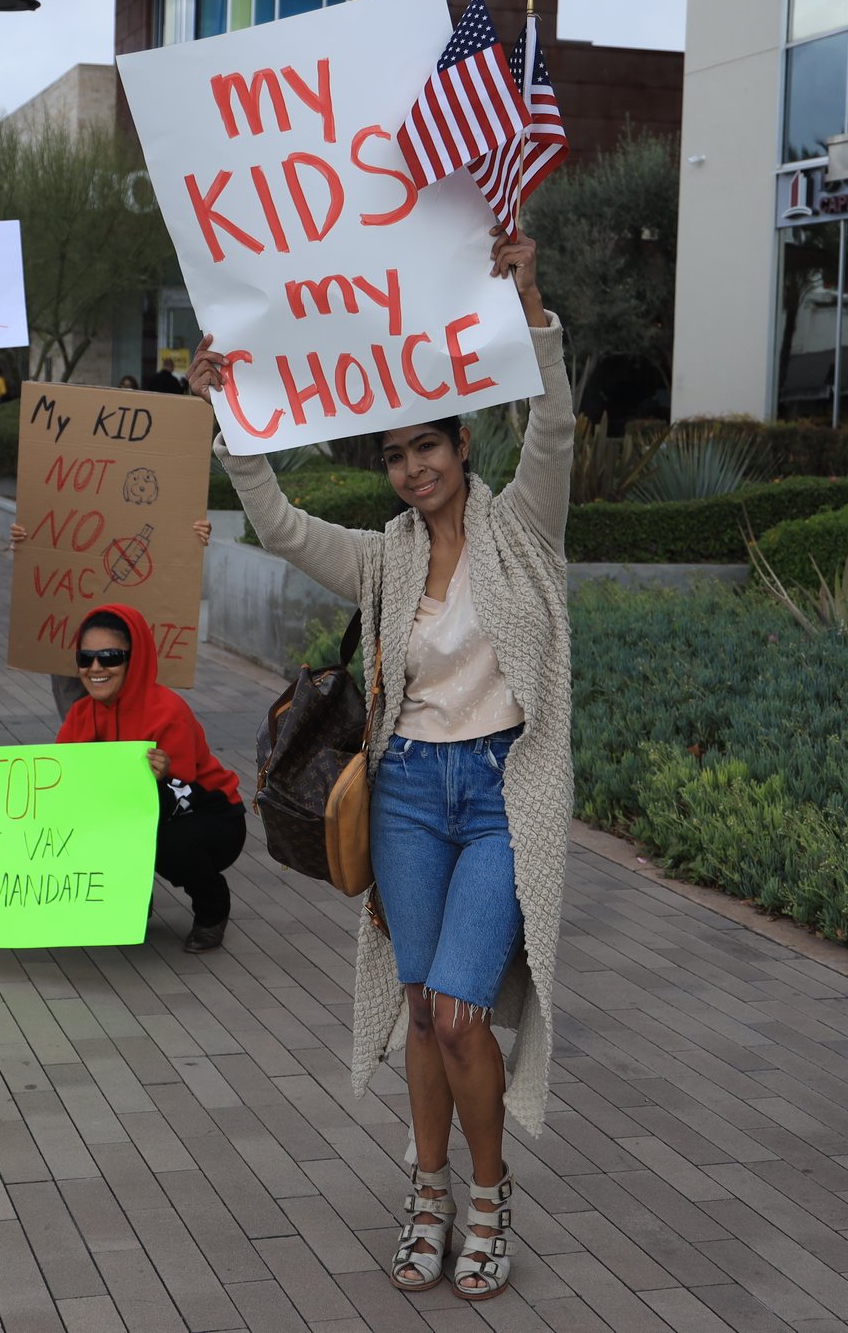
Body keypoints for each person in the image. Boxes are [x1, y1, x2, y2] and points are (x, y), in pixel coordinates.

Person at [190, 225, 566, 1304]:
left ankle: (489, 1197)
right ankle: (427, 1194)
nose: (412, 468)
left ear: (462, 444)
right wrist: (230, 413)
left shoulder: (525, 529)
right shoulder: (380, 558)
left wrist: (531, 306)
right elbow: (276, 523)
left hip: (498, 796)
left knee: (459, 1010)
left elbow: (553, 424)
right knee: (418, 1006)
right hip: (404, 793)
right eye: (396, 455)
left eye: (427, 447)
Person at [0, 603, 244, 952]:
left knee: (164, 840)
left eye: (110, 657)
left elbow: (178, 797)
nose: (96, 668)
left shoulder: (168, 712)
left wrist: (161, 777)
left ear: (134, 659)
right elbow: (54, 783)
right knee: (83, 823)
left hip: (208, 815)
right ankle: (128, 904)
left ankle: (212, 907)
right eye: (85, 658)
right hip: (139, 814)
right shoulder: (80, 715)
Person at [10, 520, 213, 723]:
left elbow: (168, 530)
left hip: (123, 635)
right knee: (79, 720)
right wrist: (29, 539)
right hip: (71, 630)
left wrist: (190, 536)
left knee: (130, 711)